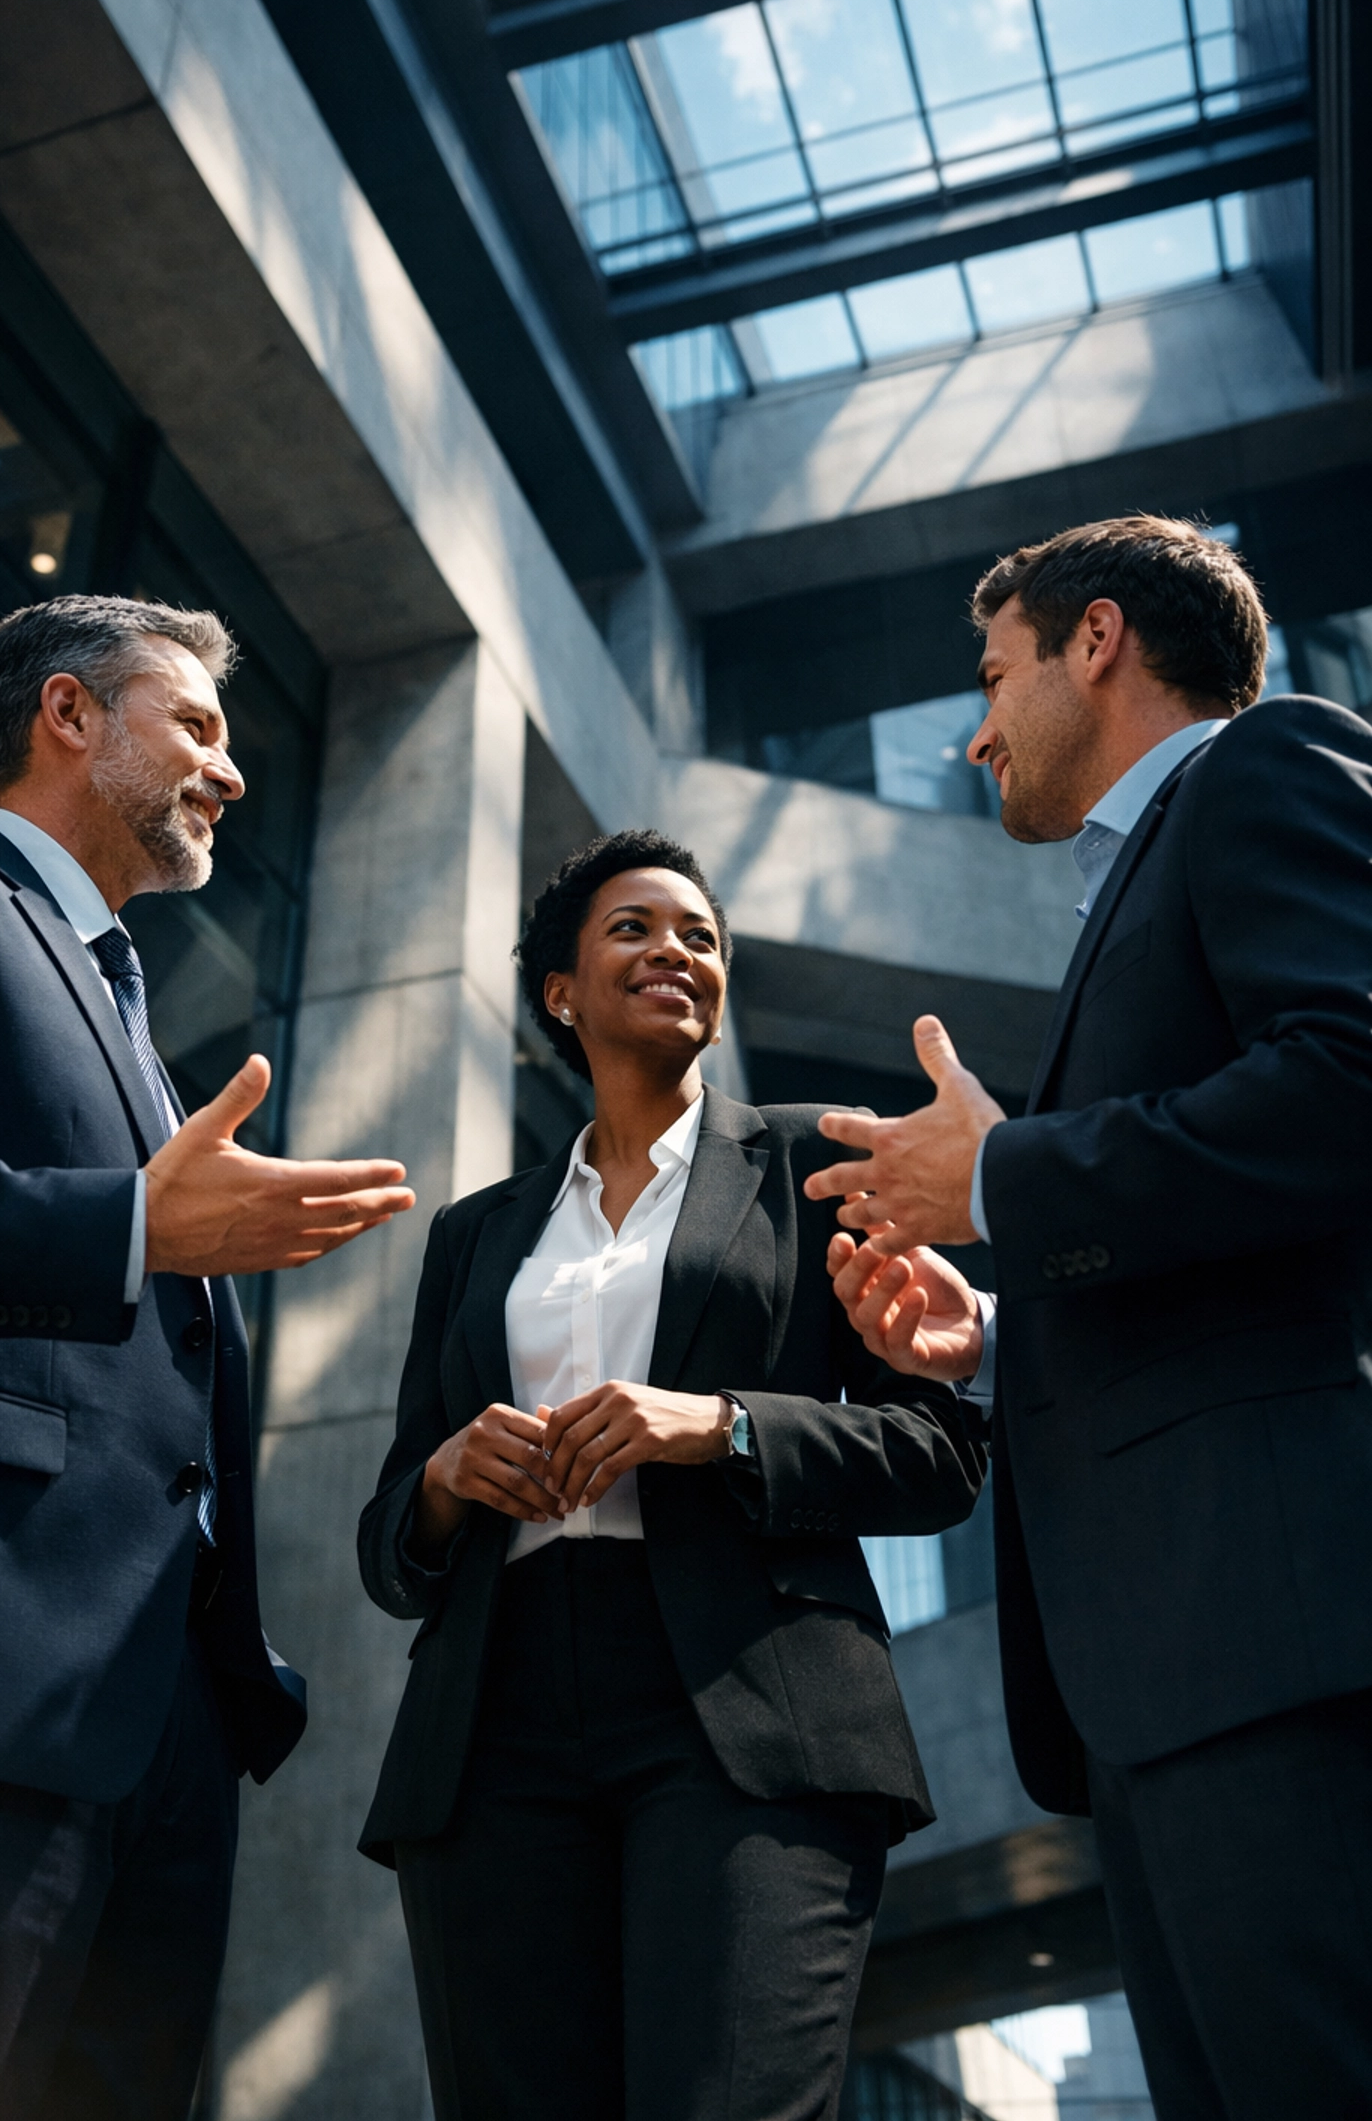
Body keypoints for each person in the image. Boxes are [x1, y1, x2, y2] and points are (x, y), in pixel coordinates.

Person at [806, 518, 1372, 2121]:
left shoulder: (1267, 769)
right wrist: (987, 1332)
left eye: (993, 674)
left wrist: (1004, 1179)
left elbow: (1349, 1082)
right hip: (1170, 1667)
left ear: (1099, 639)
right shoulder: (1133, 888)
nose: (973, 730)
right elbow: (1214, 1233)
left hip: (1270, 1632)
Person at [0, 594, 416, 2121]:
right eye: (201, 729)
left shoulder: (140, 1030)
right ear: (69, 717)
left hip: (159, 1720)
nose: (231, 775)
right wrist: (131, 1228)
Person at [358, 828, 984, 2121]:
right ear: (560, 993)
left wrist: (724, 1426)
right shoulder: (478, 1236)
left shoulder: (817, 1167)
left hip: (748, 1702)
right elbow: (387, 1548)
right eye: (633, 929)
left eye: (700, 934)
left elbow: (939, 1456)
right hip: (493, 1724)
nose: (676, 951)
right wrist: (445, 1476)